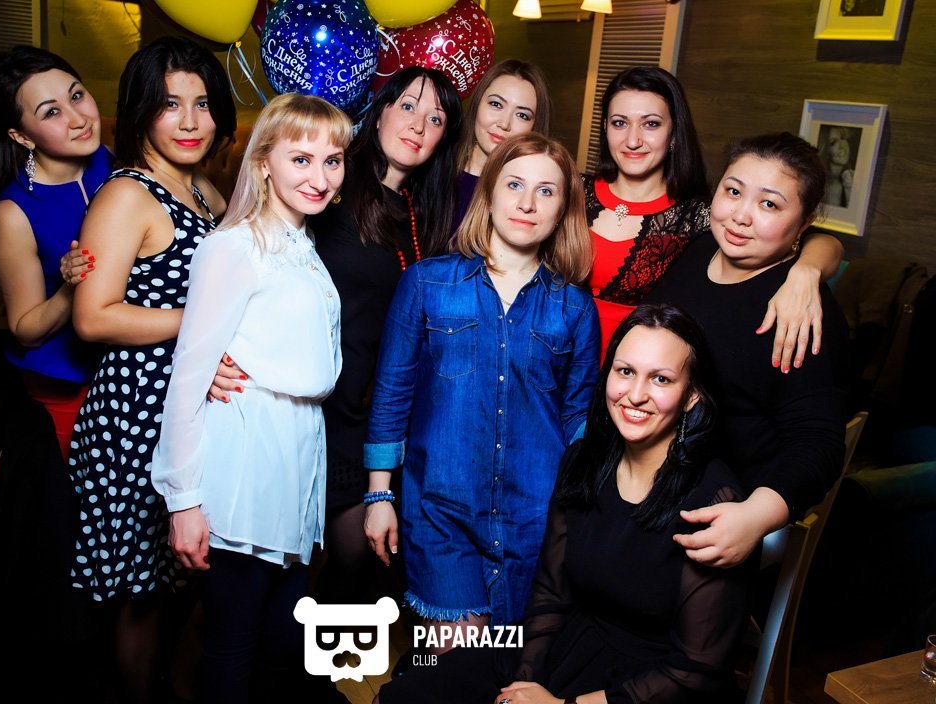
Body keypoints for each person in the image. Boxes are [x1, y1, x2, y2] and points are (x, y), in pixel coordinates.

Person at [377, 304, 752, 704]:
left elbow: (695, 670)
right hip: (563, 644)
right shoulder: (582, 462)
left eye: (661, 379)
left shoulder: (714, 501)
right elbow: (550, 595)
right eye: (625, 371)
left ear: (692, 395)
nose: (636, 395)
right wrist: (522, 682)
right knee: (403, 696)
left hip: (647, 686)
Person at [151, 92, 349, 703]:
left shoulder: (302, 244)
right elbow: (189, 376)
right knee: (233, 646)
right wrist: (184, 501)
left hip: (295, 456)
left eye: (333, 160)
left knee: (281, 641)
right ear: (263, 162)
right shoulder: (234, 246)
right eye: (301, 159)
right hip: (246, 459)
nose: (320, 178)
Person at [364, 133, 599, 635]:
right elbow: (391, 395)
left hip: (536, 518)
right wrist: (379, 496)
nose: (527, 203)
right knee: (456, 660)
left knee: (509, 664)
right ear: (489, 192)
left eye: (546, 191)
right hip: (440, 510)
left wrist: (584, 510)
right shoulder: (426, 283)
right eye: (514, 185)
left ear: (562, 210)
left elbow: (579, 417)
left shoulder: (575, 307)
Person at [67, 36, 235, 703]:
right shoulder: (127, 195)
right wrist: (204, 325)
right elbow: (93, 316)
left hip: (187, 406)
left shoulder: (202, 189)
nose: (190, 121)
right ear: (140, 110)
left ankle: (165, 684)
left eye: (203, 103)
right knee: (140, 587)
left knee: (180, 571)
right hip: (137, 414)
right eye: (170, 104)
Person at [293, 66, 462, 604]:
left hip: (368, 413)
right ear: (381, 109)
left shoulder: (421, 211)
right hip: (308, 403)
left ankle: (317, 658)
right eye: (407, 106)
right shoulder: (332, 183)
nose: (418, 125)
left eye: (435, 119)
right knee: (282, 566)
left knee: (355, 562)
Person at [648, 132, 849, 568]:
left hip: (721, 504)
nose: (740, 216)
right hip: (652, 478)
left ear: (805, 222)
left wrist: (756, 515)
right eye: (733, 191)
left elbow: (817, 442)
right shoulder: (698, 250)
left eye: (769, 204)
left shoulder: (802, 309)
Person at [584, 66, 843, 370]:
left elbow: (817, 238)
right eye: (619, 123)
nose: (633, 140)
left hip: (635, 374)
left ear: (674, 134)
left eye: (651, 124)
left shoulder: (701, 215)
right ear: (605, 127)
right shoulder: (571, 190)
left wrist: (808, 271)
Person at [0, 46, 110, 461]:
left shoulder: (108, 161)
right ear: (21, 136)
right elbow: (24, 328)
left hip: (129, 370)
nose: (78, 118)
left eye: (76, 96)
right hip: (66, 389)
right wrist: (70, 288)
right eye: (51, 112)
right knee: (71, 498)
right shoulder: (14, 212)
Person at [452, 59, 553, 229]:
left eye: (522, 115)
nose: (504, 123)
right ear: (477, 104)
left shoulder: (527, 201)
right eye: (496, 104)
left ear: (534, 127)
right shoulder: (437, 171)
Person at [819, 126, 855, 207]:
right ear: (825, 150)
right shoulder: (833, 187)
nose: (842, 146)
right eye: (833, 142)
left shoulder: (850, 178)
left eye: (843, 138)